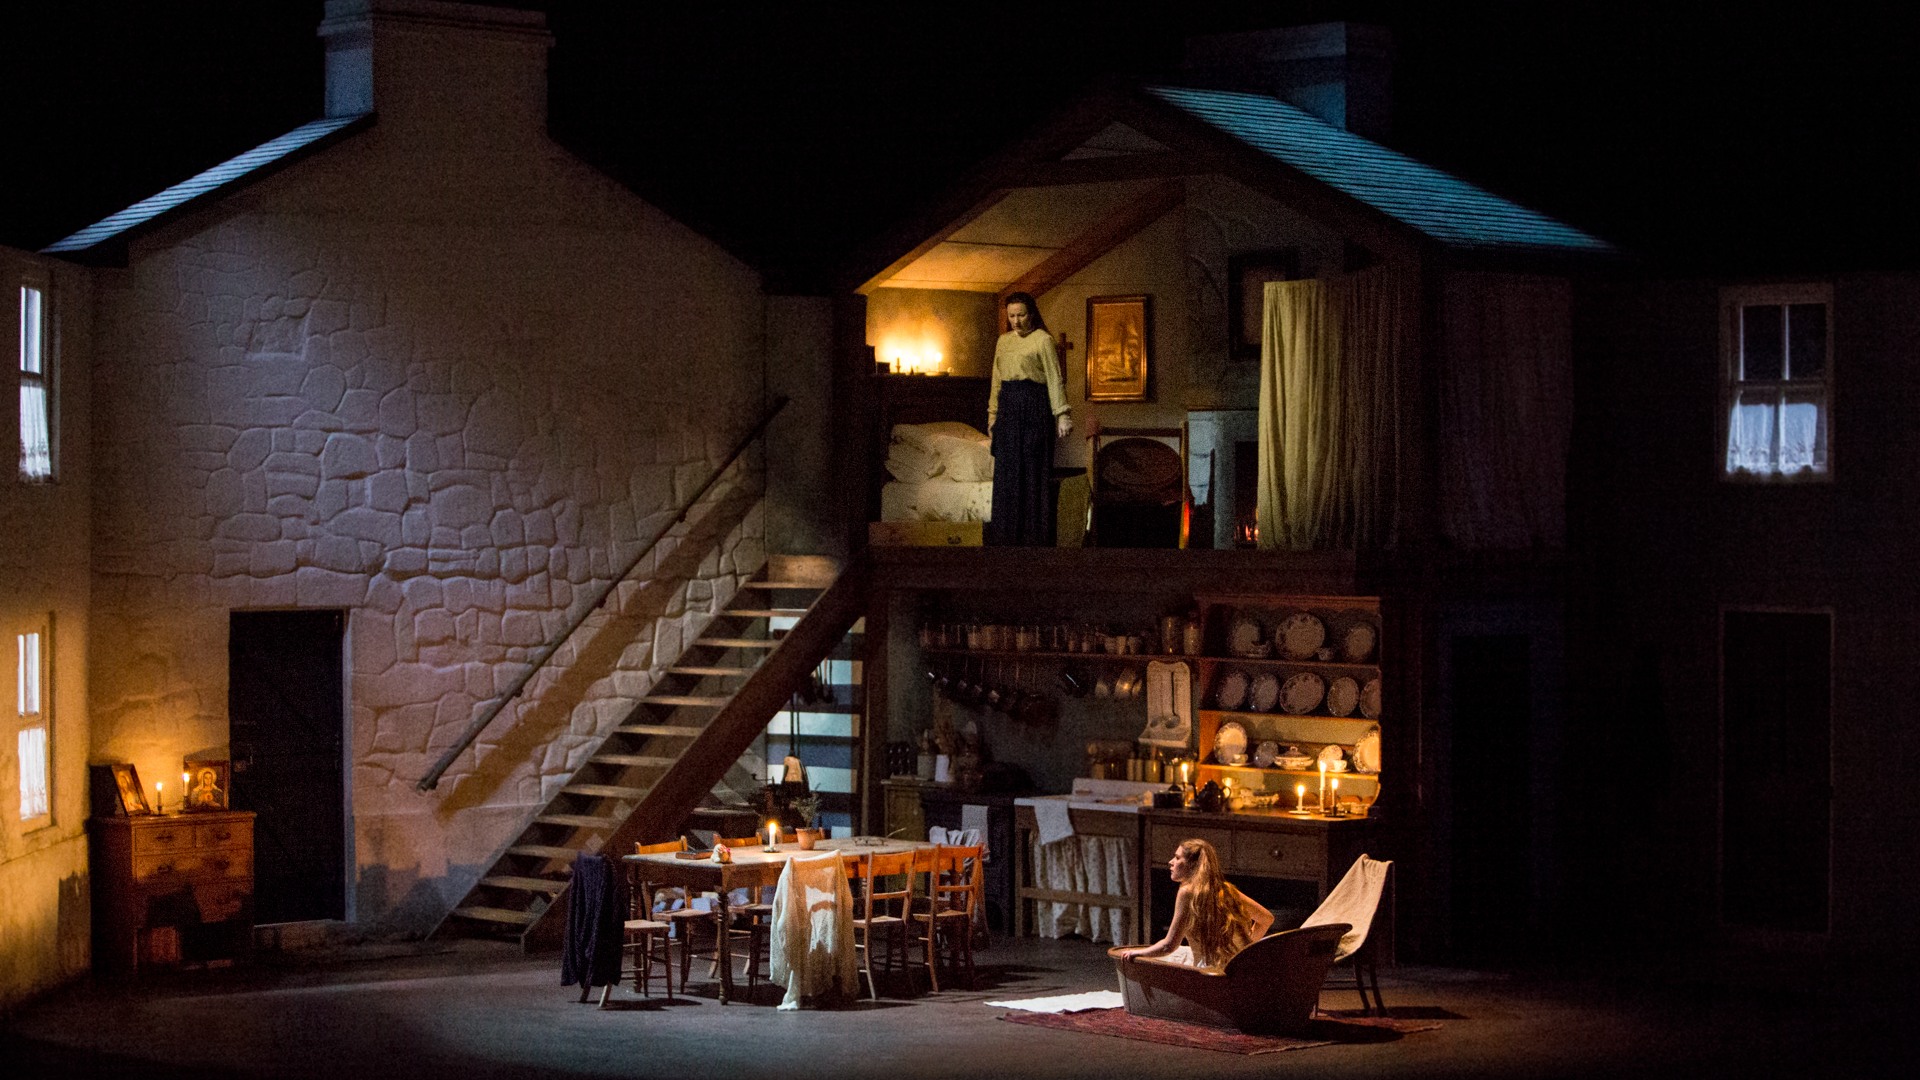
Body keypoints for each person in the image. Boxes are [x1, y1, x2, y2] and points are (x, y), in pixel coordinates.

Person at [984, 292, 1071, 546]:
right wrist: (992, 416)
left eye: (1021, 315)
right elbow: (996, 380)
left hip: (1034, 406)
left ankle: (1034, 539)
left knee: (1033, 471)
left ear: (1031, 314)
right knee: (1007, 474)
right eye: (1011, 316)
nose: (1016, 321)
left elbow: (1055, 378)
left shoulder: (1043, 340)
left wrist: (1062, 414)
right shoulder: (1003, 342)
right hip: (1009, 409)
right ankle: (1005, 539)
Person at [1116, 837, 1273, 968]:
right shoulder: (1226, 889)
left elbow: (1168, 945)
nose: (1170, 862)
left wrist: (1137, 953)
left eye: (1177, 858)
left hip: (1208, 974)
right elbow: (1267, 919)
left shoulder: (1187, 892)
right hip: (1238, 968)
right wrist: (1245, 950)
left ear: (1192, 865)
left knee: (1155, 958)